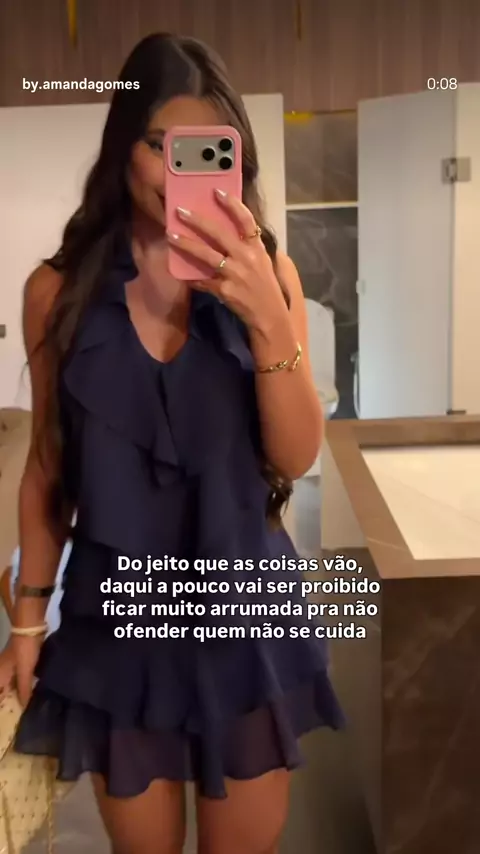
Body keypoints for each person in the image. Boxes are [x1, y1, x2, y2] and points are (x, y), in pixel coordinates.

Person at [11, 33, 344, 854]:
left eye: (204, 150)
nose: (176, 171)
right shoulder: (58, 291)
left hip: (243, 610)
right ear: (123, 144)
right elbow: (48, 466)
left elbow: (296, 457)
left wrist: (268, 317)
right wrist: (26, 622)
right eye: (161, 146)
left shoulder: (271, 274)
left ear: (234, 157)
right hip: (117, 622)